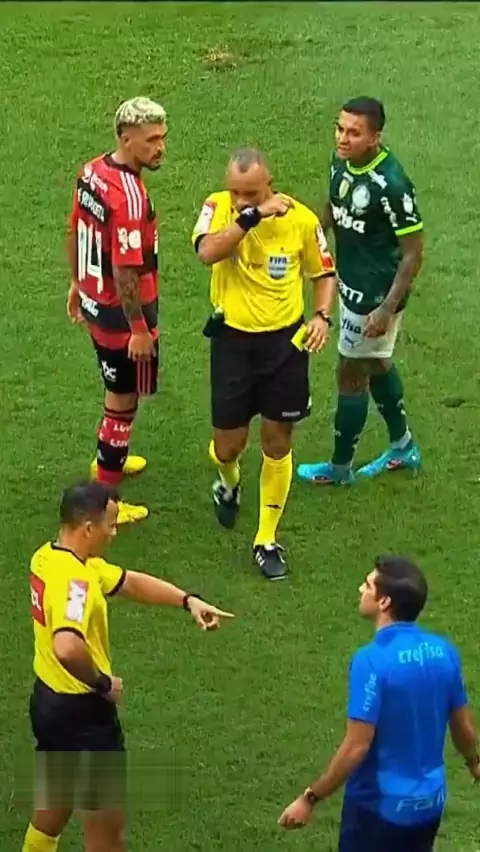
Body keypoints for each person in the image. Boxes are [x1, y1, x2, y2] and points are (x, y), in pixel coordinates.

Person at [22, 480, 234, 852]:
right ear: (89, 528)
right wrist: (102, 683)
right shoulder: (76, 581)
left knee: (52, 810)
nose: (114, 532)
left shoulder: (47, 558)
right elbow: (67, 646)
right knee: (106, 839)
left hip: (47, 704)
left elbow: (128, 583)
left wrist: (188, 601)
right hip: (83, 717)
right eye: (110, 524)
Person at [191, 147, 336, 580]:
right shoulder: (217, 207)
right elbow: (207, 252)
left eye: (250, 194)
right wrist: (251, 216)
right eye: (235, 192)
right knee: (227, 447)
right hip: (232, 343)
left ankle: (266, 539)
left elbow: (323, 274)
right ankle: (229, 483)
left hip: (284, 346)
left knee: (277, 440)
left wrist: (321, 316)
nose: (240, 200)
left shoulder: (301, 220)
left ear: (269, 184)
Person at [278, 555, 480, 851]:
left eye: (368, 585)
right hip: (430, 803)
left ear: (384, 602)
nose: (361, 589)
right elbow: (462, 726)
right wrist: (474, 762)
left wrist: (310, 798)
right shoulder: (443, 652)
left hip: (379, 809)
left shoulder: (371, 661)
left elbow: (356, 746)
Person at [297, 97, 424, 485]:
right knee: (377, 361)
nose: (343, 138)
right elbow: (333, 205)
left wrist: (386, 308)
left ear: (375, 137)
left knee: (350, 373)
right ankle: (403, 446)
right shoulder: (341, 161)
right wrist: (312, 244)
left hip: (375, 294)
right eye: (340, 128)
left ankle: (339, 469)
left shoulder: (391, 185)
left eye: (354, 133)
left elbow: (413, 253)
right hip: (350, 282)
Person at [66, 96, 168, 525]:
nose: (160, 148)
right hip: (121, 317)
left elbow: (75, 227)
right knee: (122, 402)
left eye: (162, 138)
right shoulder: (128, 198)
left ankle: (111, 456)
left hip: (96, 302)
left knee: (119, 395)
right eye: (151, 140)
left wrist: (76, 282)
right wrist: (138, 329)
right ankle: (107, 496)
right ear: (126, 138)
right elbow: (126, 272)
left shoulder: (91, 171)